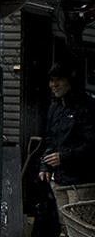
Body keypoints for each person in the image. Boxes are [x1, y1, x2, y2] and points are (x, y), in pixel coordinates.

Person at [42, 64, 95, 214]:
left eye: (58, 80)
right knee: (66, 225)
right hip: (60, 179)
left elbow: (91, 144)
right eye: (51, 80)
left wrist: (63, 157)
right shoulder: (55, 107)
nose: (54, 85)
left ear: (70, 81)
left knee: (80, 225)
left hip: (81, 181)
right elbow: (50, 139)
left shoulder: (87, 107)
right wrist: (45, 165)